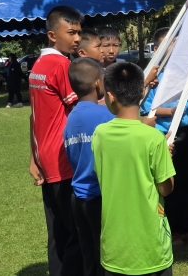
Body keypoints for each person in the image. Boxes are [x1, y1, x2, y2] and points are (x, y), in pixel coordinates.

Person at [92, 62, 175, 276]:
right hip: (152, 247)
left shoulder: (99, 134)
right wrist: (166, 158)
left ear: (110, 96)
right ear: (142, 92)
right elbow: (166, 188)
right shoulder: (154, 138)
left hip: (115, 247)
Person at [29, 5, 83, 276]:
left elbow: (34, 116)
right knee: (76, 231)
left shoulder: (38, 65)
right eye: (71, 33)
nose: (77, 39)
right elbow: (80, 110)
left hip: (46, 158)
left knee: (57, 231)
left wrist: (34, 156)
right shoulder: (61, 65)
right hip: (63, 159)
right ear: (52, 35)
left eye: (79, 33)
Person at [140, 27, 188, 245]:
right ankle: (174, 228)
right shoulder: (152, 76)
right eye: (171, 46)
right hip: (164, 134)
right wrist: (169, 112)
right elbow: (146, 109)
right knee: (169, 180)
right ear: (158, 49)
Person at [63, 58, 114, 276]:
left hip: (78, 197)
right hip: (100, 197)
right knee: (107, 257)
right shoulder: (105, 115)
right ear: (97, 83)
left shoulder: (71, 118)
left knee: (89, 257)